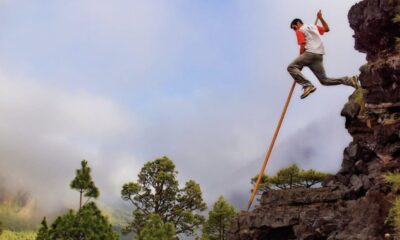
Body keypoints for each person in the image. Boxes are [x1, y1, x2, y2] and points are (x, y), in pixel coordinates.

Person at [287, 10, 359, 99]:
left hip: (310, 53)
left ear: (298, 23)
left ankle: (307, 85)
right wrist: (320, 18)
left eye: (294, 28)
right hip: (319, 55)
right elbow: (327, 29)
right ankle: (349, 80)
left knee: (291, 67)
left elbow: (302, 44)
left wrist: (300, 58)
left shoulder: (300, 30)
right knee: (324, 81)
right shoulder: (313, 26)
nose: (295, 30)